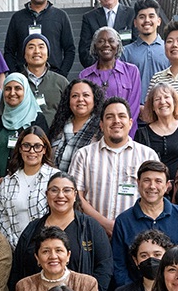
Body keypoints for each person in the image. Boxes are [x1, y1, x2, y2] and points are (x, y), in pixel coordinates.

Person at [10, 171, 112, 291]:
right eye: (54, 190)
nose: (60, 195)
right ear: (46, 195)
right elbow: (17, 270)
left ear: (75, 195)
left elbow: (105, 266)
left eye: (67, 190)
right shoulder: (32, 229)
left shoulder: (90, 227)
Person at [68, 97, 158, 236]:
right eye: (110, 117)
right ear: (101, 125)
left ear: (130, 123)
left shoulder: (147, 156)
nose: (116, 121)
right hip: (92, 232)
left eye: (121, 116)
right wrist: (105, 224)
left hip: (136, 233)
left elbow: (156, 195)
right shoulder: (83, 155)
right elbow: (76, 195)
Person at [111, 159, 178, 287]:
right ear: (138, 183)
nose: (152, 186)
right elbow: (119, 265)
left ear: (168, 185)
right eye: (147, 180)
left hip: (177, 290)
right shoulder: (123, 221)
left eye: (158, 181)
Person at [0, 125, 59, 246]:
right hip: (15, 248)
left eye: (37, 146)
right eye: (26, 146)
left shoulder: (55, 178)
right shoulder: (7, 183)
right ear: (20, 149)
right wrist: (18, 246)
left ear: (45, 149)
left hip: (48, 248)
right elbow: (2, 218)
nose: (32, 151)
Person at [0, 73, 49, 184]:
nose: (12, 93)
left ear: (26, 91)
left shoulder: (37, 120)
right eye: (8, 89)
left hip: (29, 185)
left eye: (18, 88)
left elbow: (44, 155)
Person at [3, 0, 76, 74]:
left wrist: (61, 75)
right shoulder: (17, 18)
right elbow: (9, 51)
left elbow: (70, 50)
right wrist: (16, 75)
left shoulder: (60, 17)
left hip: (53, 77)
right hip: (24, 79)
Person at [78, 28, 141, 137]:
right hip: (95, 137)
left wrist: (123, 134)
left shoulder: (131, 71)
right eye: (101, 41)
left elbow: (134, 108)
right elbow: (85, 110)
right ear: (95, 46)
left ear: (118, 45)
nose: (106, 44)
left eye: (111, 41)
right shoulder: (84, 76)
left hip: (126, 135)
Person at [135, 83, 178, 179]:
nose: (162, 102)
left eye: (166, 97)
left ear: (174, 102)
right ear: (152, 106)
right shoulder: (141, 133)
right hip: (152, 189)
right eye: (157, 99)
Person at [78, 0, 134, 68]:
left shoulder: (132, 14)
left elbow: (135, 46)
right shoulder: (89, 18)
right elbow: (84, 50)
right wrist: (100, 68)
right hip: (98, 72)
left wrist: (121, 68)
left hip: (126, 71)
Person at [48, 79, 103, 173]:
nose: (80, 99)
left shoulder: (102, 129)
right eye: (75, 96)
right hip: (56, 184)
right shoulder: (58, 127)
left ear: (94, 100)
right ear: (68, 101)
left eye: (86, 95)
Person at [121, 0, 169, 100]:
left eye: (151, 16)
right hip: (135, 111)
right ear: (135, 22)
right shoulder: (125, 53)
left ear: (159, 21)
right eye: (142, 17)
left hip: (165, 108)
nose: (147, 20)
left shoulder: (169, 49)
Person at [19, 33, 69, 128]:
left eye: (41, 47)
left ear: (48, 54)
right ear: (24, 55)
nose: (37, 51)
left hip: (55, 138)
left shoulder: (61, 82)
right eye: (31, 47)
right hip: (25, 139)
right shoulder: (16, 82)